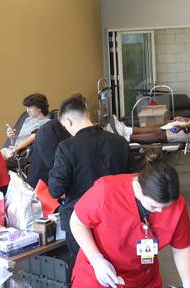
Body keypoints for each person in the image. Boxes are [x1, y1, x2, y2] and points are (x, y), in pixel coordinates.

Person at [69, 151, 190, 288]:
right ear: (138, 189)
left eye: (165, 208)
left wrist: (189, 286)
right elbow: (77, 222)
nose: (161, 212)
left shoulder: (175, 204)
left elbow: (182, 247)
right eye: (154, 207)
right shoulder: (106, 191)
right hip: (100, 287)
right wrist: (96, 260)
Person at [48, 94, 136, 260]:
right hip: (117, 216)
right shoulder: (119, 142)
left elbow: (55, 189)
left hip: (81, 221)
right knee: (118, 263)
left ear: (68, 121)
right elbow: (132, 180)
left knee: (86, 268)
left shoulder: (67, 147)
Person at [1, 93, 50, 158]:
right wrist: (12, 137)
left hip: (21, 153)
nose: (27, 111)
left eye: (30, 108)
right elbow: (18, 141)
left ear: (39, 108)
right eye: (26, 108)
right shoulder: (28, 119)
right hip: (12, 150)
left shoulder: (46, 123)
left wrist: (17, 149)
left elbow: (34, 137)